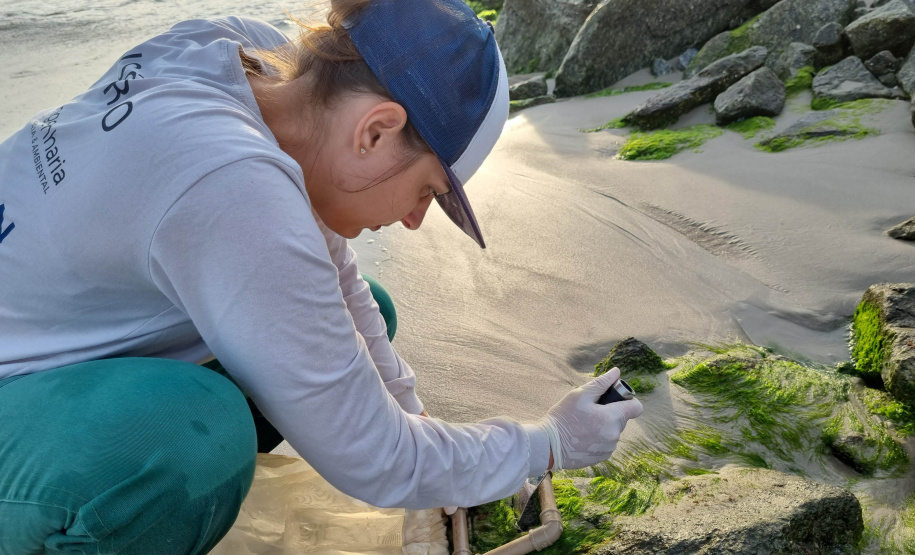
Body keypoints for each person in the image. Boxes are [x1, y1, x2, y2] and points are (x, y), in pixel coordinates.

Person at [0, 0, 644, 552]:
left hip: (39, 341)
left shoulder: (245, 53)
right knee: (189, 441)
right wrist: (549, 443)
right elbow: (377, 456)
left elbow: (338, 286)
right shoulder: (230, 184)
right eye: (426, 192)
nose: (416, 221)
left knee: (370, 320)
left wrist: (423, 429)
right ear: (376, 130)